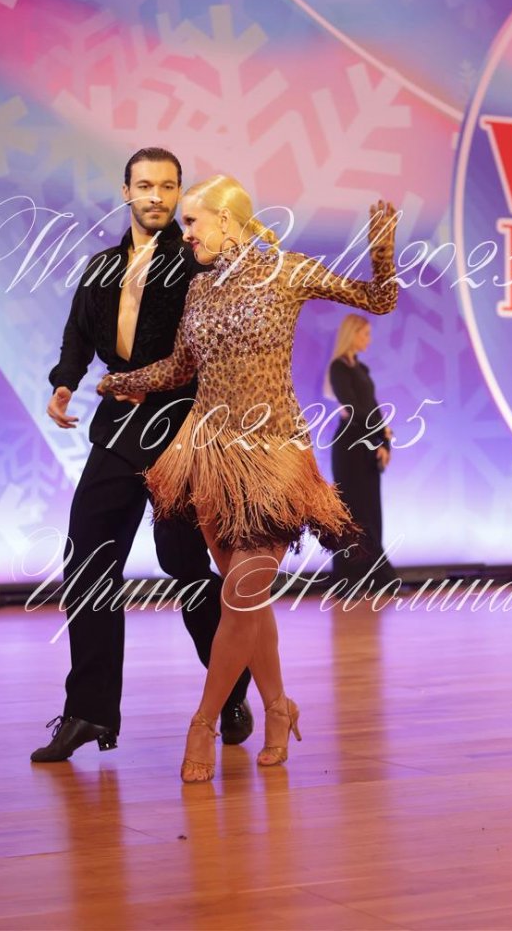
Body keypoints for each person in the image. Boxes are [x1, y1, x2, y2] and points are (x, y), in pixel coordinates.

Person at [98, 175, 399, 783]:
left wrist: (383, 251)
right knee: (248, 599)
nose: (185, 233)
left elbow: (379, 299)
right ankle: (279, 708)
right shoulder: (200, 287)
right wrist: (122, 381)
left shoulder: (287, 271)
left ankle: (203, 722)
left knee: (239, 596)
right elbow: (182, 366)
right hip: (211, 459)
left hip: (273, 456)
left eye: (192, 221)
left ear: (226, 219)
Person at [31, 150, 252, 764]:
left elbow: (215, 345)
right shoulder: (102, 266)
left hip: (180, 427)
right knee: (87, 562)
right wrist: (65, 381)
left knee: (185, 564)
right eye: (146, 184)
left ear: (180, 194)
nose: (157, 195)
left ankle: (231, 690)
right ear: (126, 190)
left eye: (169, 186)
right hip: (117, 426)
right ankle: (89, 711)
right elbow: (78, 334)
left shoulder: (197, 261)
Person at [325, 314, 395, 587]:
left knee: (371, 512)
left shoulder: (362, 369)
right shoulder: (338, 368)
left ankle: (374, 576)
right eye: (365, 333)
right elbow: (353, 408)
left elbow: (373, 407)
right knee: (351, 513)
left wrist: (384, 441)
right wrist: (380, 432)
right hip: (349, 448)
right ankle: (347, 577)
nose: (369, 339)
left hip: (368, 445)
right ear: (352, 334)